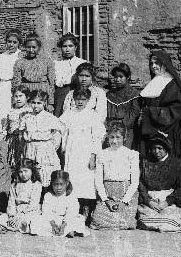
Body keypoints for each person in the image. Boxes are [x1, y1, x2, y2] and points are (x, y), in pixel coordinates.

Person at [138, 50, 181, 167]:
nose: (153, 66)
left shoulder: (171, 84)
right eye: (151, 63)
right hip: (151, 131)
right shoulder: (154, 82)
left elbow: (176, 109)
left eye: (157, 63)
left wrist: (149, 113)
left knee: (168, 166)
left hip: (168, 131)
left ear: (164, 64)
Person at [59, 85, 106, 219]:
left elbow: (98, 137)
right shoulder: (69, 113)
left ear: (88, 100)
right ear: (73, 99)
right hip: (72, 152)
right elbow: (62, 130)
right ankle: (74, 208)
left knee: (86, 180)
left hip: (86, 152)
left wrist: (93, 156)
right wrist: (63, 148)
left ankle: (86, 208)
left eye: (83, 99)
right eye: (77, 99)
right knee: (72, 178)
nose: (80, 102)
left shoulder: (92, 115)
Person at [89, 121, 140, 230]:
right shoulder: (102, 154)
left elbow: (135, 182)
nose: (115, 141)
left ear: (124, 138)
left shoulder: (131, 155)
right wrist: (106, 200)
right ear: (107, 137)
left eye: (118, 137)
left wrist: (124, 201)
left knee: (126, 223)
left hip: (125, 194)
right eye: (112, 137)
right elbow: (98, 180)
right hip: (108, 194)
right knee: (97, 222)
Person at [19, 90, 62, 188]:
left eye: (39, 103)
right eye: (33, 103)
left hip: (44, 149)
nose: (36, 106)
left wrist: (50, 148)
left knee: (44, 174)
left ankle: (45, 195)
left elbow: (57, 136)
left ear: (44, 103)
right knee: (31, 174)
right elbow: (21, 135)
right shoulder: (26, 117)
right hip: (30, 148)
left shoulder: (49, 117)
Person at [28, 170, 89, 237]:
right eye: (56, 185)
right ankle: (64, 231)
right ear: (51, 184)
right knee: (36, 219)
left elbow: (71, 213)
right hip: (52, 220)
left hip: (66, 221)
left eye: (61, 184)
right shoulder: (48, 195)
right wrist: (53, 225)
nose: (59, 188)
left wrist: (63, 225)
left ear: (67, 183)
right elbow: (47, 212)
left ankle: (69, 230)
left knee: (79, 220)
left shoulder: (71, 196)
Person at [0, 159, 42, 233]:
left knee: (34, 222)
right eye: (20, 172)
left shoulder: (36, 185)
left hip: (29, 213)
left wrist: (21, 215)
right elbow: (11, 202)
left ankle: (18, 227)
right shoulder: (14, 185)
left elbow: (34, 204)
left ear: (32, 171)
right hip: (15, 213)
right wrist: (12, 216)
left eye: (26, 171)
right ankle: (18, 227)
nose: (23, 174)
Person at [11, 34, 55, 111]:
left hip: (43, 92)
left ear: (39, 47)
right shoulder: (20, 62)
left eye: (34, 47)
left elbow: (51, 83)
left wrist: (50, 102)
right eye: (28, 47)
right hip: (26, 93)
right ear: (25, 47)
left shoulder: (47, 61)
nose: (31, 50)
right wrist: (16, 101)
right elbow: (16, 83)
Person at [105, 63, 140, 149]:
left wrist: (120, 127)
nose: (117, 80)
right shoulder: (109, 95)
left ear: (127, 77)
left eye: (121, 77)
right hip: (111, 131)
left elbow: (134, 113)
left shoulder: (134, 94)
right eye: (116, 77)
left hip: (127, 131)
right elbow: (105, 113)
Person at [53, 33, 88, 117]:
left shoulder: (81, 63)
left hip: (75, 93)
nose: (67, 49)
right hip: (59, 95)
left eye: (70, 46)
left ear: (75, 47)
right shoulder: (56, 64)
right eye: (64, 46)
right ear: (61, 48)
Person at [0, 29, 24, 113]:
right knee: (3, 113)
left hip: (17, 88)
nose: (11, 44)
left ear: (19, 43)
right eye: (9, 41)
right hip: (3, 89)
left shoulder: (21, 56)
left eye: (14, 42)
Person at [3, 86, 32, 169]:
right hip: (12, 141)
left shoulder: (30, 111)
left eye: (21, 96)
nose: (18, 99)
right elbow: (6, 127)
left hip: (24, 141)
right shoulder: (10, 111)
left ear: (27, 97)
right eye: (16, 96)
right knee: (12, 162)